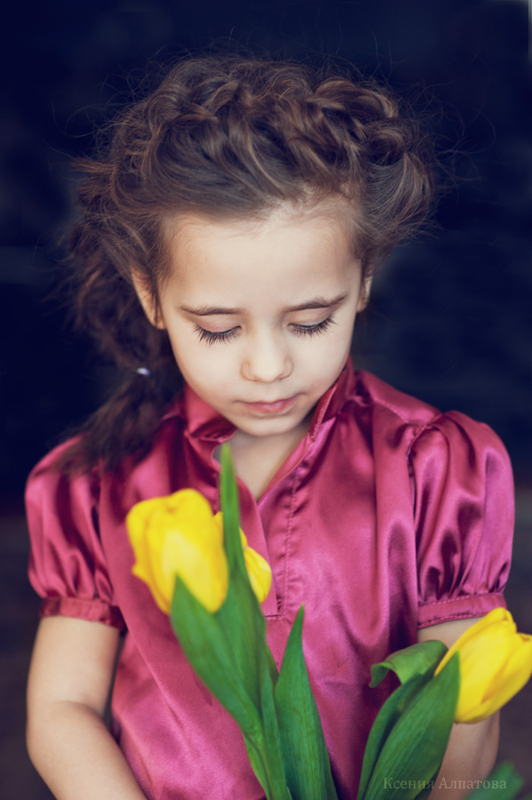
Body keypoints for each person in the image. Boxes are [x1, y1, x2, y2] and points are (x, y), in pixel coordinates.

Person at [25, 54, 514, 800]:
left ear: (363, 283)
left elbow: (464, 708)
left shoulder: (436, 469)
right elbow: (64, 707)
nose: (267, 368)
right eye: (218, 329)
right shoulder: (97, 485)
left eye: (310, 322)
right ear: (151, 295)